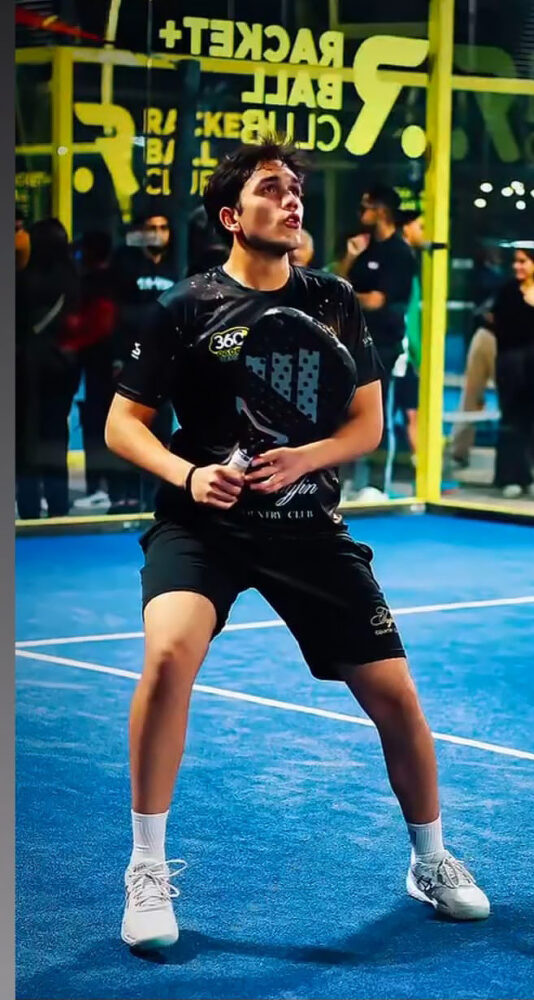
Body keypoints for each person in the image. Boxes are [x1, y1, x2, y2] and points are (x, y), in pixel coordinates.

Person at [105, 139, 489, 951]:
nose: (291, 202)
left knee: (396, 696)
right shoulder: (186, 306)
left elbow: (366, 423)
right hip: (204, 525)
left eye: (296, 191)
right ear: (230, 215)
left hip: (307, 525)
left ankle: (429, 859)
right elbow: (122, 424)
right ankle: (146, 867)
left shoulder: (333, 299)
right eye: (272, 189)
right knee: (168, 656)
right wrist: (188, 475)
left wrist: (304, 459)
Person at [336, 185, 416, 499]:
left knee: (378, 413)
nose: (360, 213)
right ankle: (343, 482)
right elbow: (339, 286)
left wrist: (350, 297)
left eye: (365, 207)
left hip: (384, 347)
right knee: (346, 413)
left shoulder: (400, 252)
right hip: (352, 343)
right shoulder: (363, 247)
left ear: (381, 210)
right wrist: (350, 257)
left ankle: (376, 485)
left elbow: (375, 301)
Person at [109, 207, 179, 514]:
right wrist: (117, 357)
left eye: (163, 228)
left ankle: (155, 495)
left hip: (164, 362)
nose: (158, 234)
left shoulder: (175, 269)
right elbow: (114, 316)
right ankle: (122, 496)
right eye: (152, 228)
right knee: (127, 426)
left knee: (160, 430)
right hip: (129, 359)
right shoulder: (124, 268)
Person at [16, 218, 80, 518]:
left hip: (25, 368)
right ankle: (58, 505)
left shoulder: (22, 279)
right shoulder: (73, 280)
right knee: (56, 436)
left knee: (25, 439)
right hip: (62, 367)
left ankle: (28, 507)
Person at [64, 231, 118, 511]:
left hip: (99, 365)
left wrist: (71, 344)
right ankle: (108, 487)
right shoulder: (107, 280)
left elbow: (99, 324)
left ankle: (101, 486)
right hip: (102, 364)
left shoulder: (95, 284)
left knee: (98, 425)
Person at [492, 247, 534, 498]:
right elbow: (501, 328)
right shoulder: (508, 292)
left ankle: (528, 476)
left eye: (523, 261)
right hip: (512, 365)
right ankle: (509, 476)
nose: (517, 266)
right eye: (515, 261)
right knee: (512, 420)